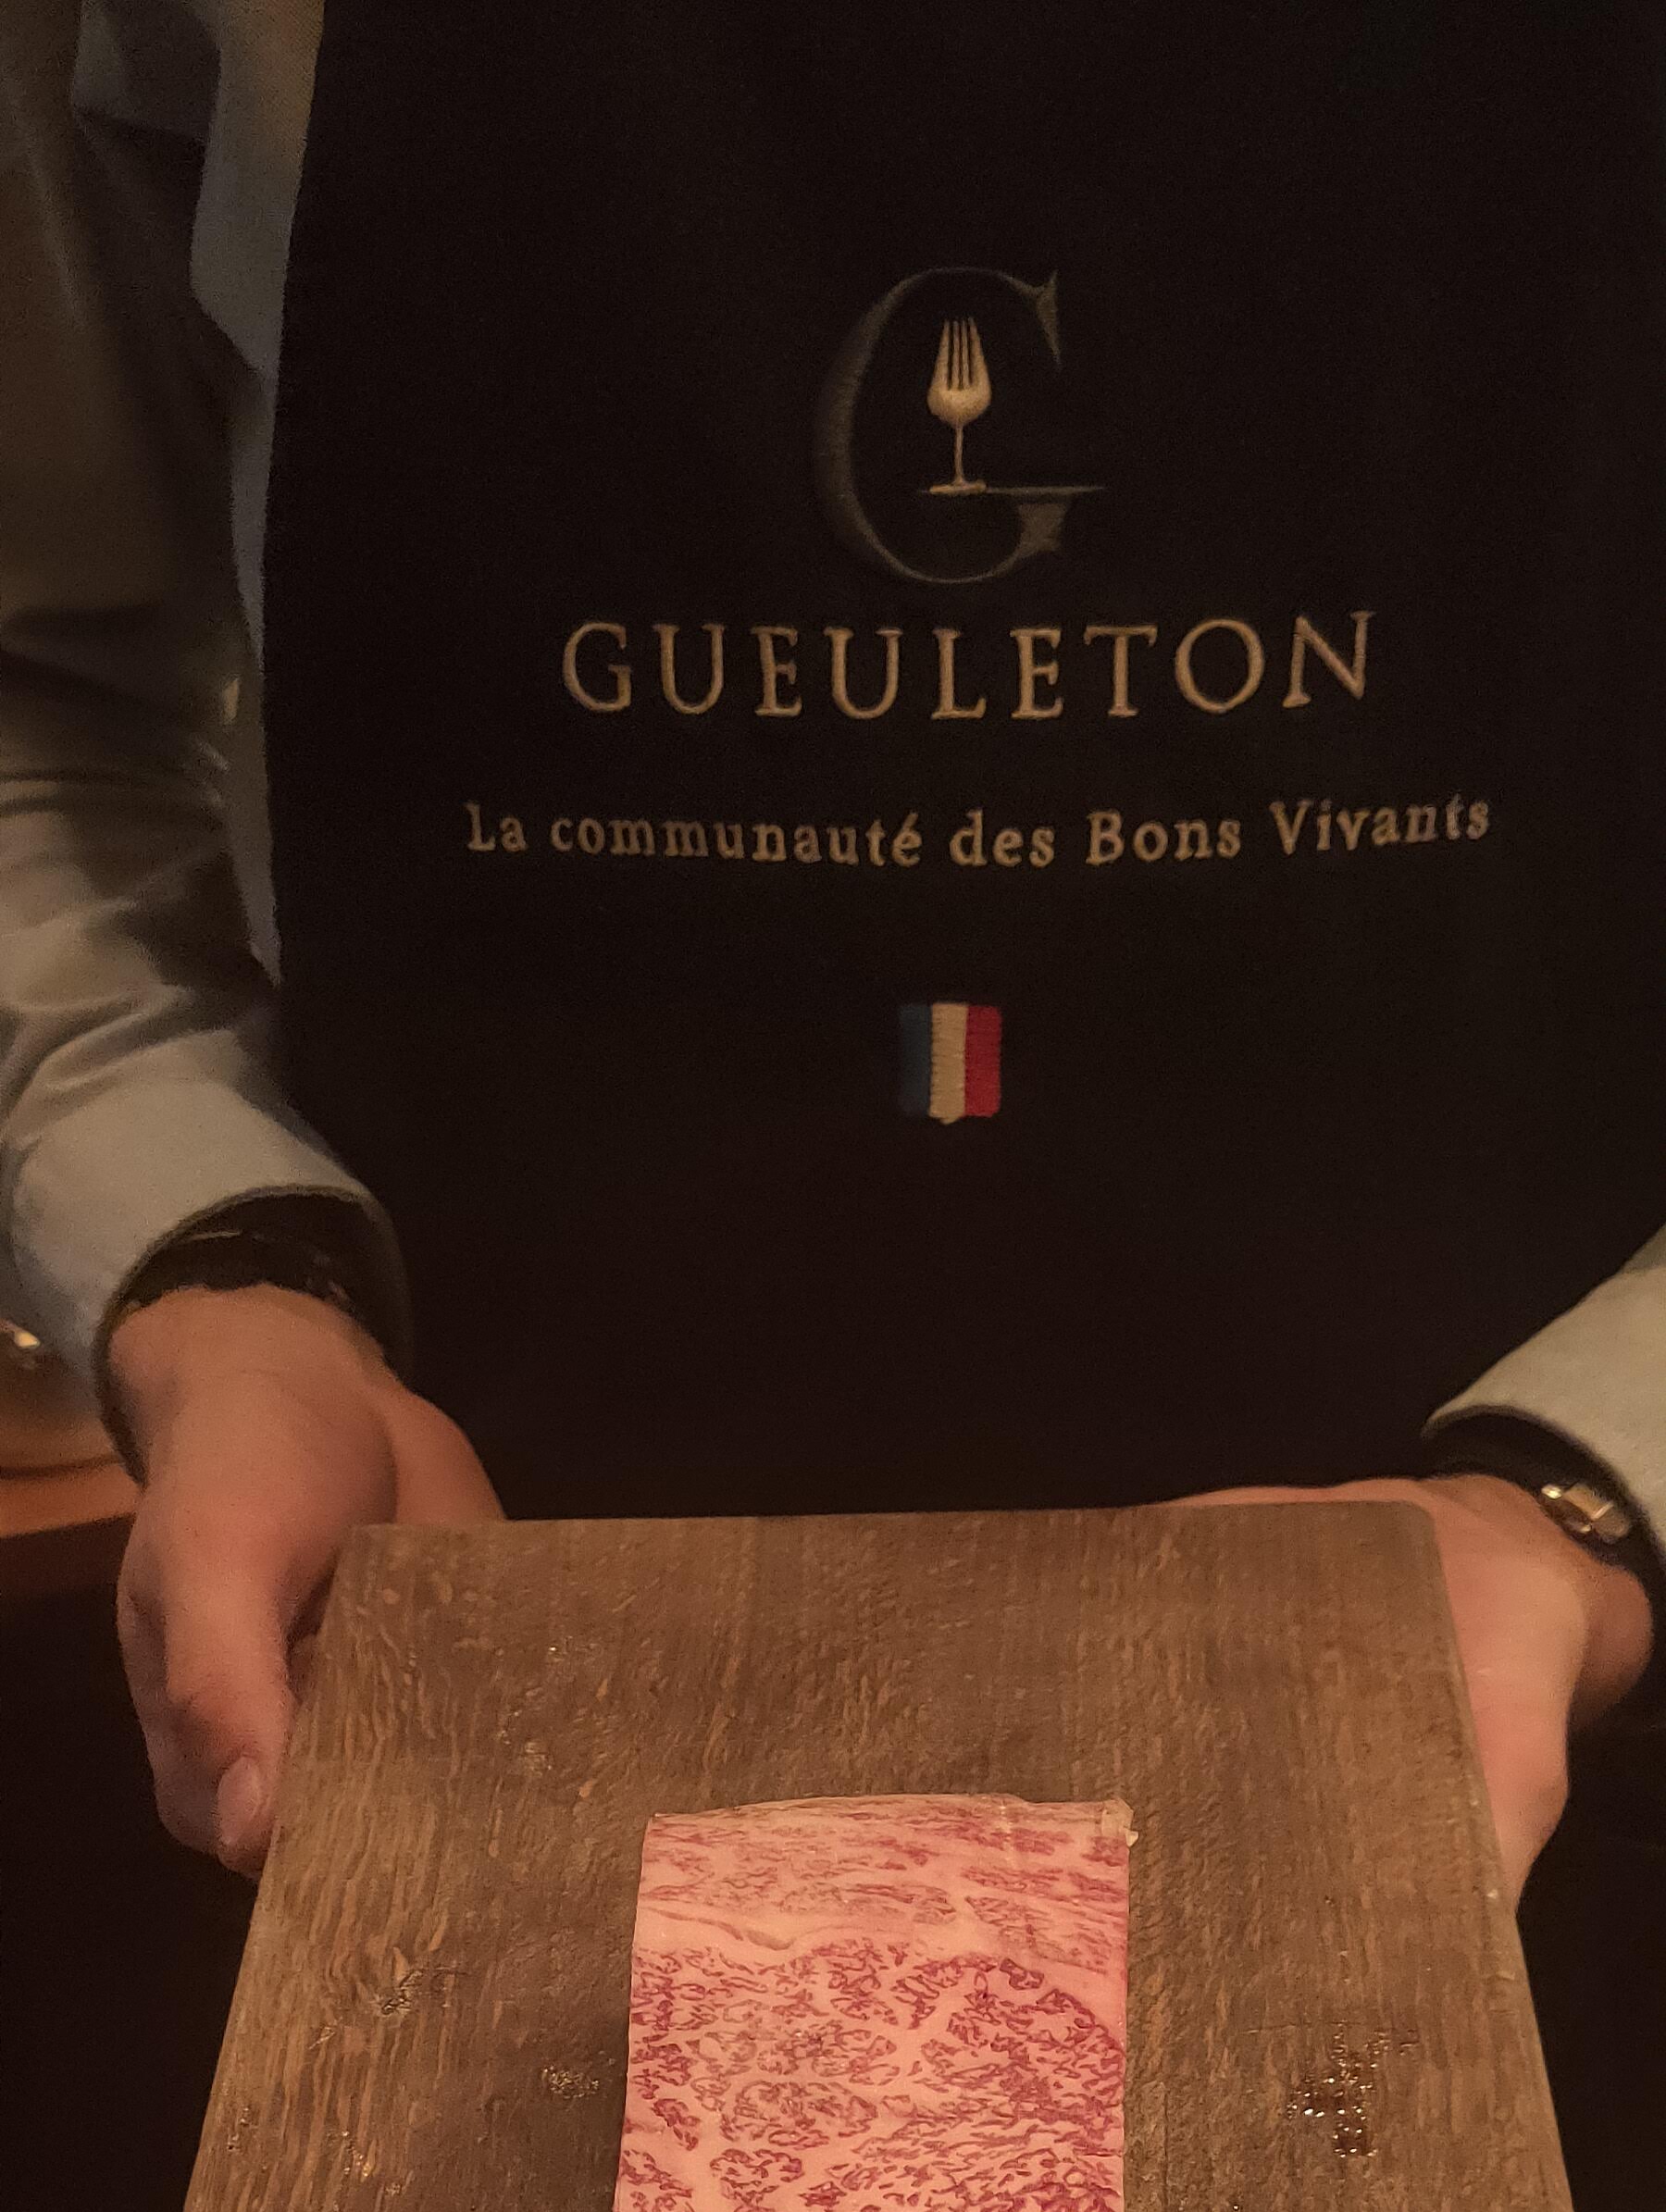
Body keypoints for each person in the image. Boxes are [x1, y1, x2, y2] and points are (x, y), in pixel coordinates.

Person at [1, 0, 1662, 1915]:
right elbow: (45, 697)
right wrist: (231, 1285)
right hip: (462, 1606)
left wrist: (1588, 1492)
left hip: (1524, 1662)